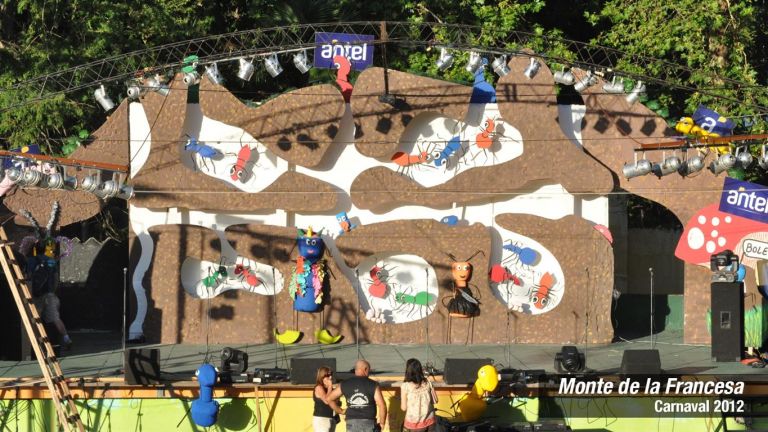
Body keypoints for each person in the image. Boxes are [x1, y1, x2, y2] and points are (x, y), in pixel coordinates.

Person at [328, 359, 387, 432]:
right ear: (365, 369)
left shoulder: (345, 383)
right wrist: (382, 423)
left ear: (356, 370)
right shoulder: (373, 384)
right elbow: (382, 405)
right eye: (369, 370)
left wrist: (341, 411)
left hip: (351, 422)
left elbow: (329, 399)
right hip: (368, 422)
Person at [401, 358, 437, 432]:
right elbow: (435, 400)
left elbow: (403, 408)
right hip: (430, 421)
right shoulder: (428, 382)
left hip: (414, 424)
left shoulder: (405, 386)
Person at [313, 366, 344, 432]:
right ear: (322, 377)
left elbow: (336, 403)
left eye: (331, 375)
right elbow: (327, 401)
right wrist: (330, 386)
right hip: (322, 419)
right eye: (328, 375)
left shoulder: (330, 389)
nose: (330, 377)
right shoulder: (319, 387)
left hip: (331, 418)